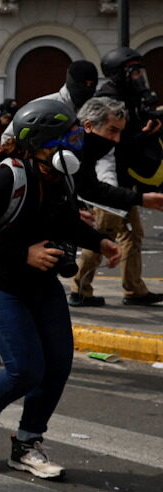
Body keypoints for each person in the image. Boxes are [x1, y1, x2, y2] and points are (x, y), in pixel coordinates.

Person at [0, 98, 119, 479]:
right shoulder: (7, 176)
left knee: (57, 366)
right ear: (45, 142)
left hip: (42, 286)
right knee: (25, 369)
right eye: (70, 136)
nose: (77, 141)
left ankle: (28, 443)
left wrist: (100, 242)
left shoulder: (58, 176)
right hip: (0, 286)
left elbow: (65, 223)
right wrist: (22, 253)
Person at [68, 47, 163, 307]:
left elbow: (122, 144)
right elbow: (102, 163)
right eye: (133, 72)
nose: (139, 78)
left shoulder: (126, 100)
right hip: (110, 181)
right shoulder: (107, 102)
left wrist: (145, 133)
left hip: (118, 182)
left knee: (128, 234)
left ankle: (132, 289)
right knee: (101, 236)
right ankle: (80, 289)